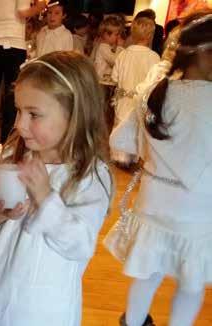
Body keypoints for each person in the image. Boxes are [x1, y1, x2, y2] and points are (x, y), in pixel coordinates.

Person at [0, 51, 113, 325]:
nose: (19, 124)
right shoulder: (14, 156)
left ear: (75, 115)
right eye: (19, 110)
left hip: (43, 308)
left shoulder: (89, 177)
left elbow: (80, 244)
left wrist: (46, 198)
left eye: (34, 114)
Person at [104, 12, 212, 326]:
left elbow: (120, 140)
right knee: (191, 283)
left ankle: (134, 322)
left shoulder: (157, 91)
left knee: (147, 272)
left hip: (154, 202)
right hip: (199, 211)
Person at [0, 0, 45, 147]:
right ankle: (6, 139)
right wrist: (40, 6)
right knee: (11, 92)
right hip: (13, 44)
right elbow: (22, 11)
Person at [110, 17, 160, 167]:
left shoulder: (123, 54)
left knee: (120, 124)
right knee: (136, 128)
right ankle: (132, 158)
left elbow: (114, 77)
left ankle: (118, 156)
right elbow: (155, 82)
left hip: (123, 99)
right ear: (151, 36)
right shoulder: (154, 57)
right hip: (141, 101)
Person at [91, 15, 124, 83]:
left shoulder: (107, 46)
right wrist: (119, 47)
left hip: (104, 80)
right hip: (101, 80)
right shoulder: (103, 47)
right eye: (116, 34)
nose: (118, 37)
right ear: (106, 34)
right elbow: (115, 61)